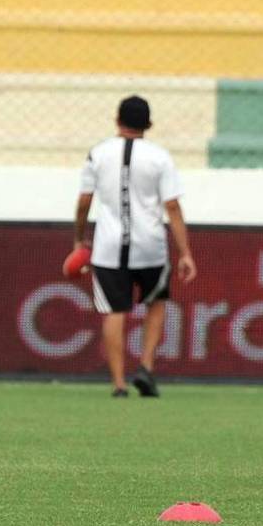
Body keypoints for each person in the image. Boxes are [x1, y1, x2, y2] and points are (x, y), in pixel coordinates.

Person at [74, 95, 196, 398]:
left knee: (115, 311)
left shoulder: (98, 154)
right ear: (149, 124)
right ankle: (146, 367)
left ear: (117, 121)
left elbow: (84, 202)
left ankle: (118, 383)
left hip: (108, 246)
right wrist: (185, 253)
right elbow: (173, 207)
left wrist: (79, 238)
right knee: (155, 303)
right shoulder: (159, 158)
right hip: (150, 245)